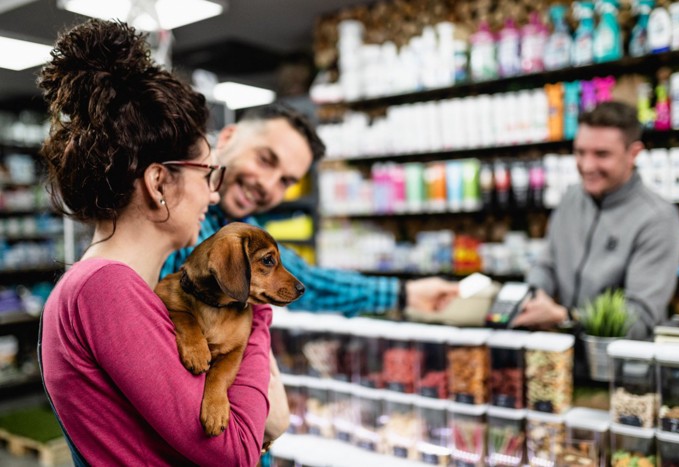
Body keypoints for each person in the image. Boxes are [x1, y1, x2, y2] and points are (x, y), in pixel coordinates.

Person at [38, 19, 272, 465]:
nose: (214, 193)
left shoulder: (125, 287)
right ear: (159, 181)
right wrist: (254, 309)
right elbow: (237, 452)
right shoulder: (105, 290)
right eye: (208, 174)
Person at [161, 103, 460, 318]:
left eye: (286, 181)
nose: (268, 185)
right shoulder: (174, 204)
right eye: (265, 160)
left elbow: (306, 281)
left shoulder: (241, 228)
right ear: (226, 138)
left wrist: (404, 294)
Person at [512, 101, 679, 340]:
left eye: (601, 154)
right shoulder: (571, 198)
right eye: (580, 152)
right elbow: (546, 264)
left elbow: (640, 317)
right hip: (559, 358)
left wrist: (567, 317)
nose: (586, 165)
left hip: (622, 369)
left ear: (633, 153)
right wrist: (535, 295)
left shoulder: (658, 218)